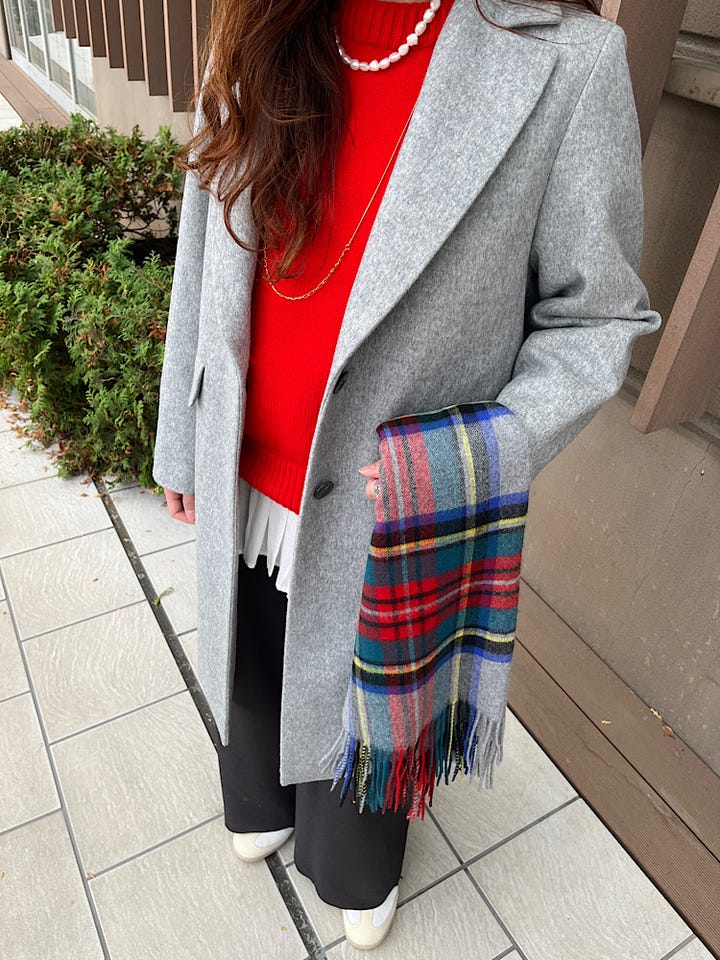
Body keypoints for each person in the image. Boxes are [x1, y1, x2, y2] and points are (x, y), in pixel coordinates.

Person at [153, 0, 663, 949]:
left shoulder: (568, 61)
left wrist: (471, 459)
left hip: (397, 501)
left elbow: (596, 318)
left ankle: (352, 865)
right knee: (250, 657)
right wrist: (180, 438)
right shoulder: (257, 19)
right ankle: (258, 798)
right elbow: (204, 231)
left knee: (367, 712)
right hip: (243, 464)